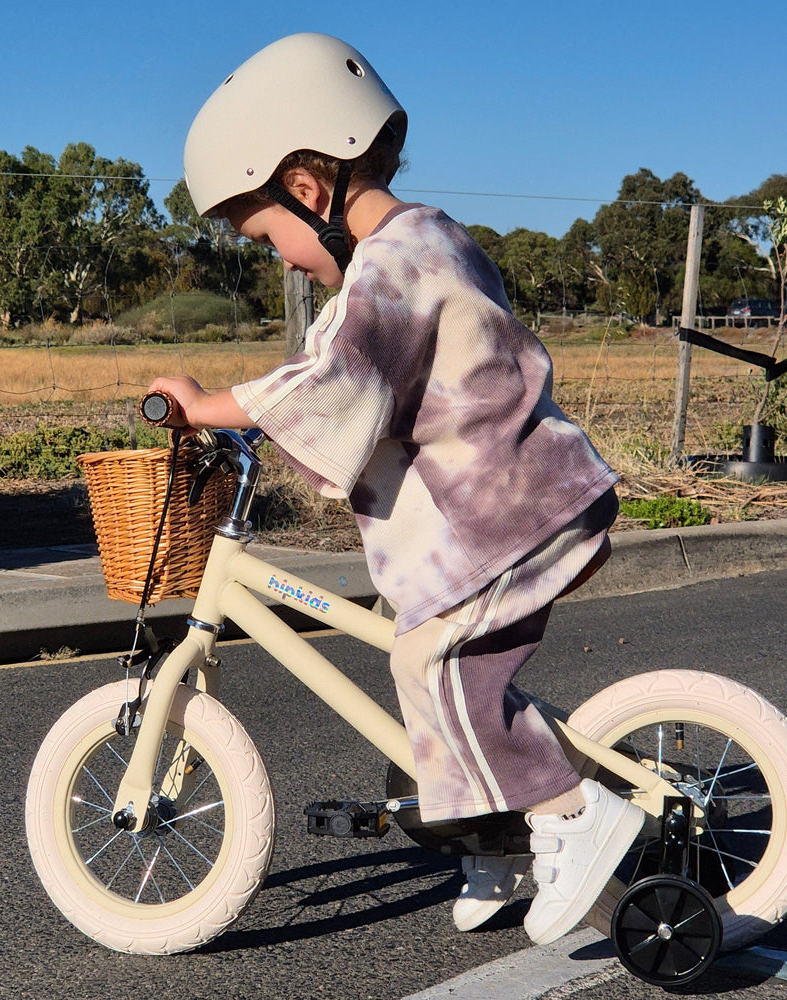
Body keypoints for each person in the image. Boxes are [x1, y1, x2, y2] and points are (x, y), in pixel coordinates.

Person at [150, 32, 644, 945]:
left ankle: (577, 817)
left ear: (306, 187)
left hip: (507, 517)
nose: (281, 258)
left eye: (267, 235)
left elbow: (332, 383)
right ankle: (502, 847)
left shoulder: (395, 264)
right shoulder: (424, 244)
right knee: (434, 666)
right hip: (498, 513)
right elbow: (351, 376)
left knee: (435, 664)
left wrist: (206, 407)